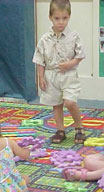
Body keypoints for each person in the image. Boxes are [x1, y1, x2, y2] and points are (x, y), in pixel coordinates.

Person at [32, 0, 86, 144]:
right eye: (57, 18)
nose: (61, 22)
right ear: (50, 17)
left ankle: (79, 127)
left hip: (69, 76)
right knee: (56, 104)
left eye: (64, 18)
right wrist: (40, 76)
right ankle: (60, 130)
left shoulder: (73, 36)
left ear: (69, 17)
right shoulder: (44, 39)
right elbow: (39, 59)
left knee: (69, 102)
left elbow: (80, 55)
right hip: (51, 76)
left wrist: (71, 64)